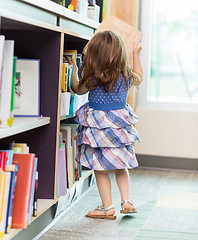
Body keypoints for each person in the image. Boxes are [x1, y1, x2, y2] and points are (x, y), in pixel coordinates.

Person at [66, 30, 143, 220]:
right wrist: (137, 54)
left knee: (100, 170)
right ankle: (126, 202)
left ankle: (107, 208)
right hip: (118, 131)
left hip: (98, 132)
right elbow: (139, 76)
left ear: (93, 55)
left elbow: (76, 89)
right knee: (121, 167)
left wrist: (74, 70)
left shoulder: (93, 78)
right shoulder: (126, 76)